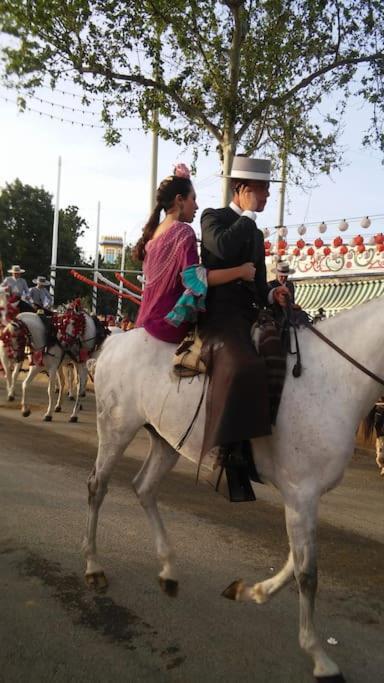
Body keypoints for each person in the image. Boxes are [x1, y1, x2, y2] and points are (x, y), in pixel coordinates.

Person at [199, 156, 289, 502]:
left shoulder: (254, 231)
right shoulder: (213, 217)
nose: (266, 197)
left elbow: (259, 281)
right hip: (220, 314)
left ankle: (264, 437)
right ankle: (228, 453)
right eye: (263, 190)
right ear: (243, 189)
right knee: (242, 366)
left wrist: (272, 292)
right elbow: (220, 248)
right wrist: (248, 215)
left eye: (266, 191)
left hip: (250, 313)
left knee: (285, 352)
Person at [134, 163, 256, 344]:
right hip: (170, 323)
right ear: (179, 200)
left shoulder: (153, 235)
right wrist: (241, 271)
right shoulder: (183, 232)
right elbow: (197, 278)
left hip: (146, 319)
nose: (197, 205)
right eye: (193, 198)